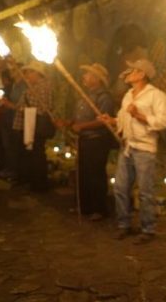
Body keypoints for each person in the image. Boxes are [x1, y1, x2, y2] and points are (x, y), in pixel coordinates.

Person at [97, 59, 166, 244]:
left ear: (142, 74)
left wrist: (139, 115)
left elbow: (163, 122)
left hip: (145, 149)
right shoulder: (128, 95)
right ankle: (124, 225)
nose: (128, 73)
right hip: (128, 147)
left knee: (145, 192)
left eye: (132, 70)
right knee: (120, 188)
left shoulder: (156, 96)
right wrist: (112, 120)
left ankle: (148, 229)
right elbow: (123, 119)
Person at [64, 63, 116, 220]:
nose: (84, 77)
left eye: (88, 74)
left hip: (97, 140)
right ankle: (85, 206)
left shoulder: (104, 97)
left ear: (96, 78)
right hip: (84, 140)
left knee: (95, 174)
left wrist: (82, 126)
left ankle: (99, 209)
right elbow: (79, 116)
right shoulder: (84, 95)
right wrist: (69, 123)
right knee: (83, 173)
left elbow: (103, 120)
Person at [11, 61, 53, 191]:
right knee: (29, 154)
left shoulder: (43, 87)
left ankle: (39, 184)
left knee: (37, 154)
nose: (26, 75)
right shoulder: (31, 86)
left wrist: (19, 108)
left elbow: (40, 109)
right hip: (28, 125)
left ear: (37, 73)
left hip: (36, 126)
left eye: (29, 72)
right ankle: (30, 180)